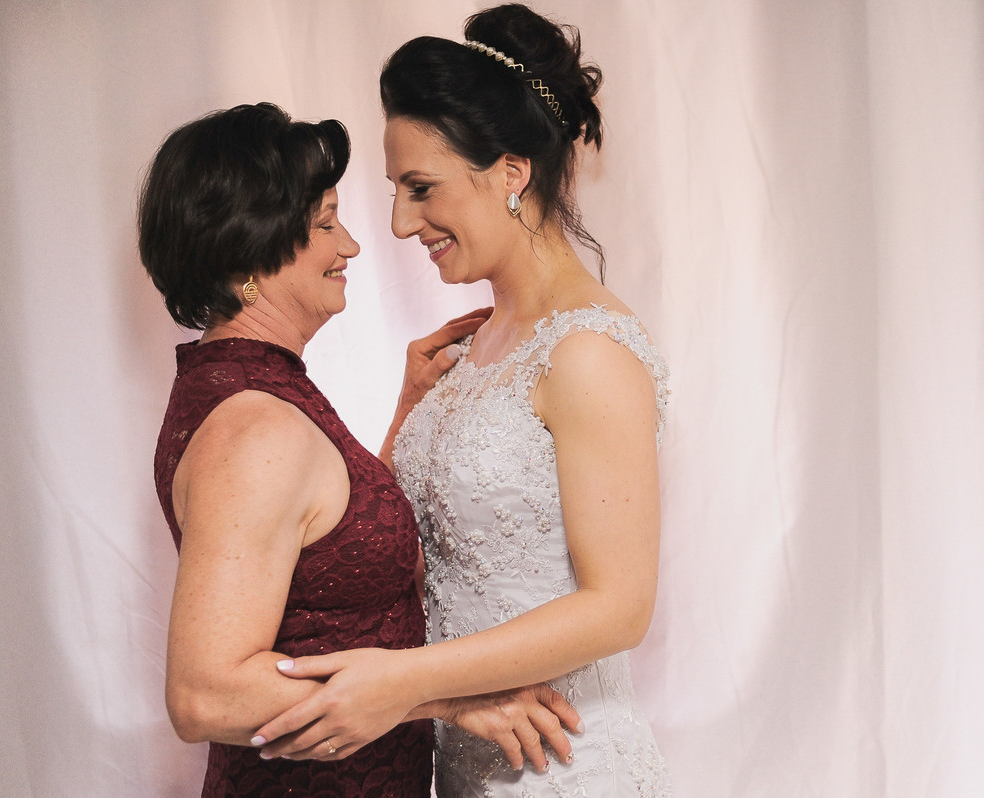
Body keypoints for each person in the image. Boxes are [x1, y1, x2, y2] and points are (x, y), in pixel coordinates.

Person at [253, 5, 673, 795]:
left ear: (511, 172)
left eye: (421, 189)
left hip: (565, 766)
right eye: (396, 191)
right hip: (466, 764)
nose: (399, 223)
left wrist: (405, 682)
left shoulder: (589, 350)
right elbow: (398, 547)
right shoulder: (474, 345)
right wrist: (408, 409)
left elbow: (619, 606)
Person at [139, 101, 581, 797]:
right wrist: (449, 698)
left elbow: (328, 544)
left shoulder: (249, 385)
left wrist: (408, 407)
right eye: (324, 225)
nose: (348, 246)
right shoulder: (255, 429)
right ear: (246, 256)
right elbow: (206, 696)